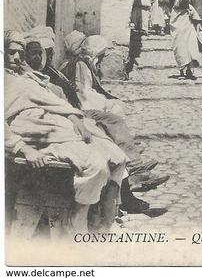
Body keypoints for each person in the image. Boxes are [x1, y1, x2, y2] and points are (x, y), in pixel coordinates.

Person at [27, 31, 168, 215]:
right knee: (103, 137)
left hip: (72, 116)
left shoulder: (48, 73)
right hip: (62, 123)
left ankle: (128, 185)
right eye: (36, 53)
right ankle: (126, 192)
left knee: (107, 139)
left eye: (45, 52)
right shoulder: (34, 79)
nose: (42, 57)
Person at [4, 31, 126, 232]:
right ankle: (78, 219)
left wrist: (74, 117)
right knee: (97, 167)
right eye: (11, 53)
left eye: (20, 53)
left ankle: (103, 222)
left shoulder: (26, 77)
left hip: (61, 127)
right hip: (40, 135)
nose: (17, 58)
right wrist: (24, 149)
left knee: (118, 158)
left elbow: (54, 101)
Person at [170, 0, 202, 80]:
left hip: (189, 32)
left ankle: (189, 70)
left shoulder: (190, 8)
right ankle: (182, 70)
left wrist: (198, 26)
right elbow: (172, 22)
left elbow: (196, 18)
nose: (186, 3)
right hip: (179, 34)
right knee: (180, 51)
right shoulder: (175, 10)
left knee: (190, 50)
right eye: (184, 1)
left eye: (187, 1)